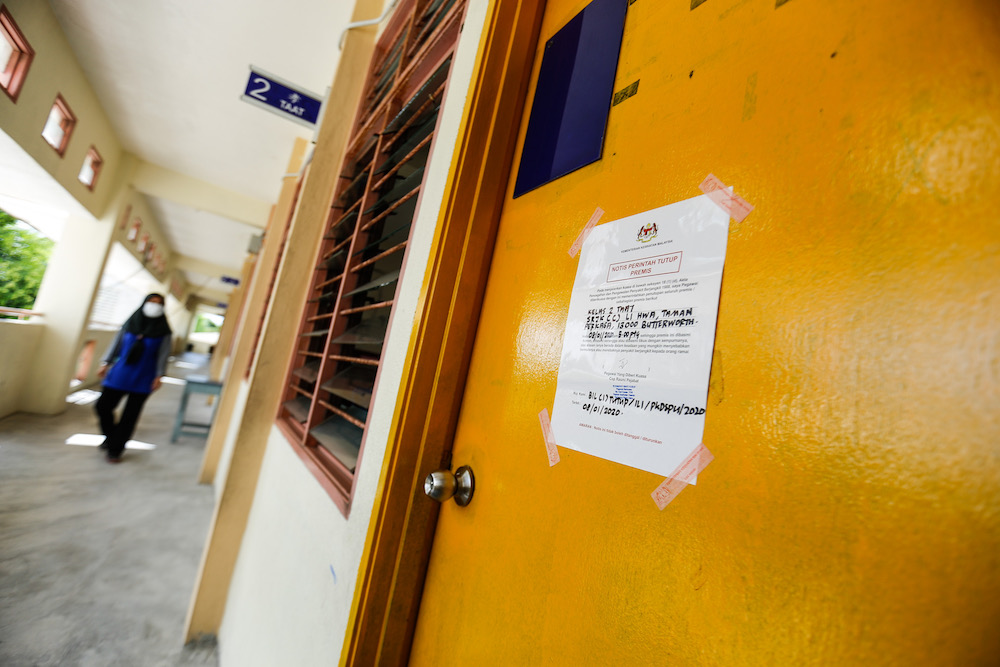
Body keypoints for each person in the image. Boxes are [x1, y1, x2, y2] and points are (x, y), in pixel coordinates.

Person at [94, 293, 172, 463]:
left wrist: (159, 375)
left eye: (159, 303)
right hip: (121, 372)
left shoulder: (164, 331)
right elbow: (117, 344)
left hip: (145, 376)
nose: (154, 305)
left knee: (130, 416)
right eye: (151, 301)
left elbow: (163, 355)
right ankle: (111, 437)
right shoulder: (130, 324)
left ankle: (115, 450)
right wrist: (105, 362)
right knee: (102, 406)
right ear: (144, 303)